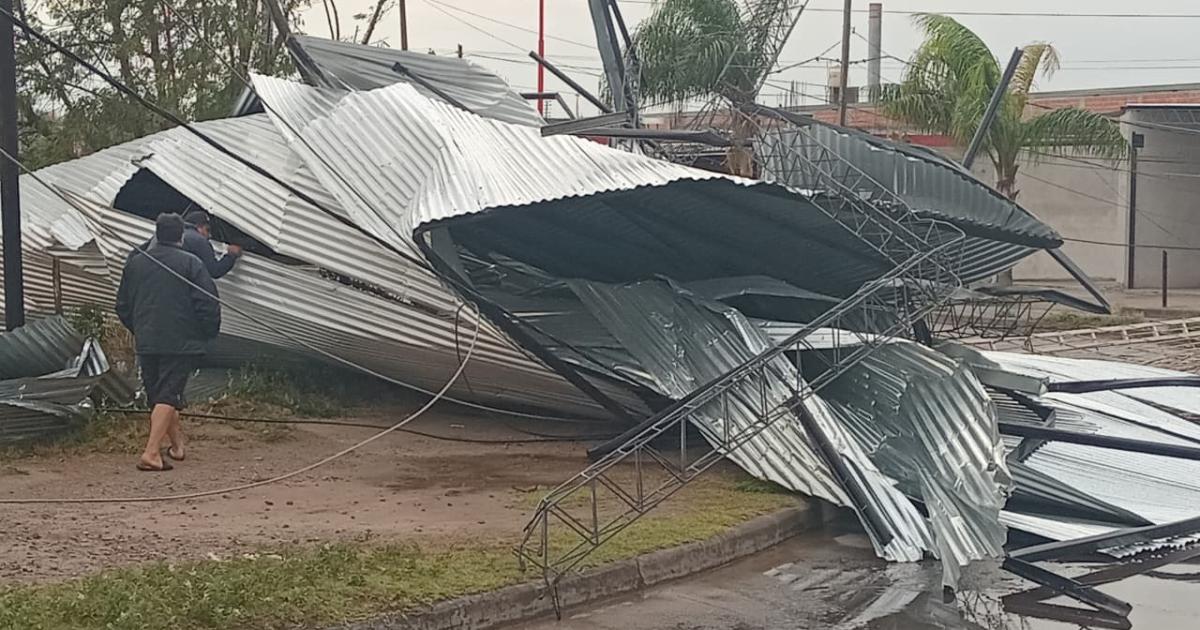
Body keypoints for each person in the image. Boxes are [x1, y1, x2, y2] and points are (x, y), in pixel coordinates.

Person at [116, 213, 222, 472]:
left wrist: (140, 328)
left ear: (157, 233)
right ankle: (151, 453)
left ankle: (176, 447)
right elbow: (207, 303)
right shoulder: (191, 264)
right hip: (181, 341)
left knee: (160, 395)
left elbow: (122, 306)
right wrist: (206, 334)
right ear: (181, 236)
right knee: (168, 394)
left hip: (148, 340)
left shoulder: (135, 263)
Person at [128, 208, 242, 279]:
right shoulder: (199, 240)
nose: (210, 236)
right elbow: (214, 271)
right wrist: (231, 255)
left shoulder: (161, 235)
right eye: (207, 230)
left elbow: (135, 253)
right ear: (198, 227)